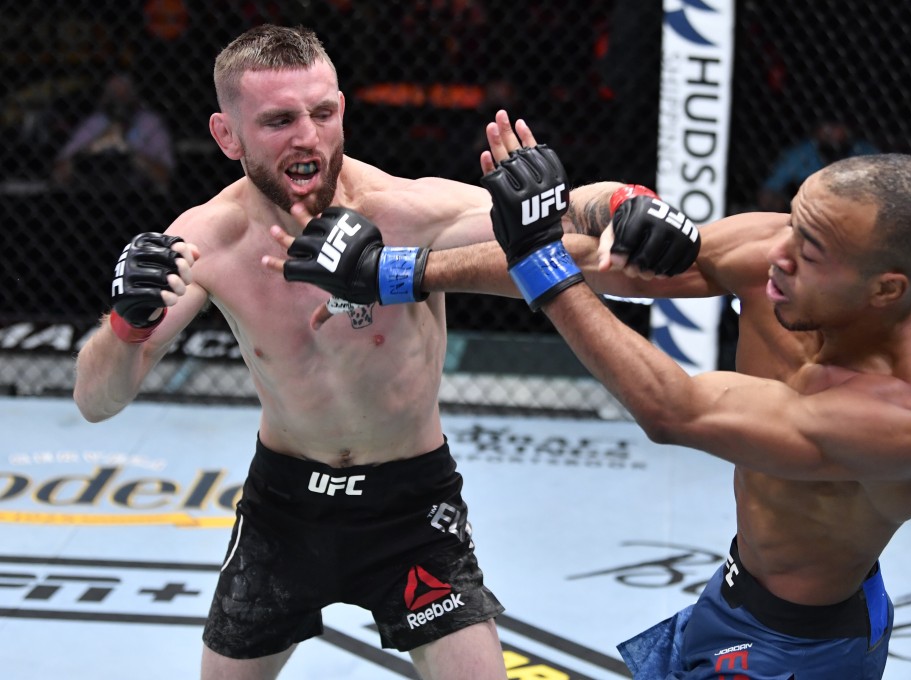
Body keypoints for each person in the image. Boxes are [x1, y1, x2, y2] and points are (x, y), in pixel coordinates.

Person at [294, 112, 911, 679]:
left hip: (806, 646)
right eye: (792, 227)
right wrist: (397, 273)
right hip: (730, 593)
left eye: (810, 253)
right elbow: (599, 256)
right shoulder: (779, 251)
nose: (779, 254)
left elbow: (675, 410)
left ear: (886, 290)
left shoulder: (903, 418)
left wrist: (539, 260)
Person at [71, 26, 628, 680]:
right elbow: (96, 402)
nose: (307, 136)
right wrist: (125, 327)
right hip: (283, 508)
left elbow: (582, 229)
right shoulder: (207, 241)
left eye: (323, 112)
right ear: (228, 136)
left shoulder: (408, 210)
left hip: (410, 506)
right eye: (278, 120)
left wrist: (602, 198)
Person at [52, 72, 175, 193]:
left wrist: (128, 151)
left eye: (124, 92)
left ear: (134, 94)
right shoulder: (95, 122)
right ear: (104, 96)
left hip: (138, 195)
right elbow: (59, 171)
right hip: (94, 193)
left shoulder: (149, 122)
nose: (118, 98)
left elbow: (165, 176)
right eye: (113, 92)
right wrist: (93, 147)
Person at [757, 118, 879, 211]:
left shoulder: (864, 152)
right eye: (825, 126)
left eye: (835, 126)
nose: (829, 132)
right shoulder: (801, 153)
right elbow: (769, 191)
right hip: (806, 211)